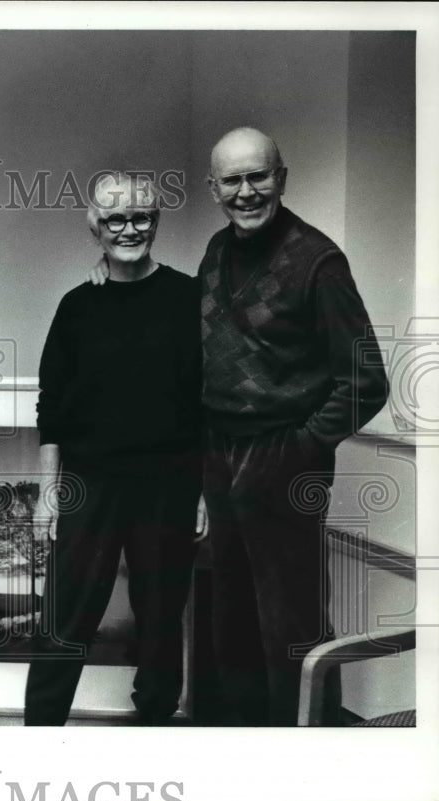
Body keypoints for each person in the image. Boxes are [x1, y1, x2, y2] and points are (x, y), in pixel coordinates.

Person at [89, 129, 390, 726]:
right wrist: (110, 270)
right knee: (232, 622)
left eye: (259, 177)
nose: (246, 192)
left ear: (282, 176)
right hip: (217, 457)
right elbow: (191, 340)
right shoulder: (214, 252)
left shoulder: (318, 262)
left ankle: (300, 762)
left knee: (290, 625)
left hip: (283, 460)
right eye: (232, 180)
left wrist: (299, 448)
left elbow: (367, 380)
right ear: (213, 187)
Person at [24, 172, 203, 726]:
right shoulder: (77, 306)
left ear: (157, 221)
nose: (129, 229)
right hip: (89, 483)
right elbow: (51, 405)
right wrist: (49, 490)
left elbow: (205, 402)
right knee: (65, 616)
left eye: (141, 217)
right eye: (114, 220)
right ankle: (37, 739)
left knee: (159, 618)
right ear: (95, 230)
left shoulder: (187, 298)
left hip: (168, 484)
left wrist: (201, 492)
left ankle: (153, 728)